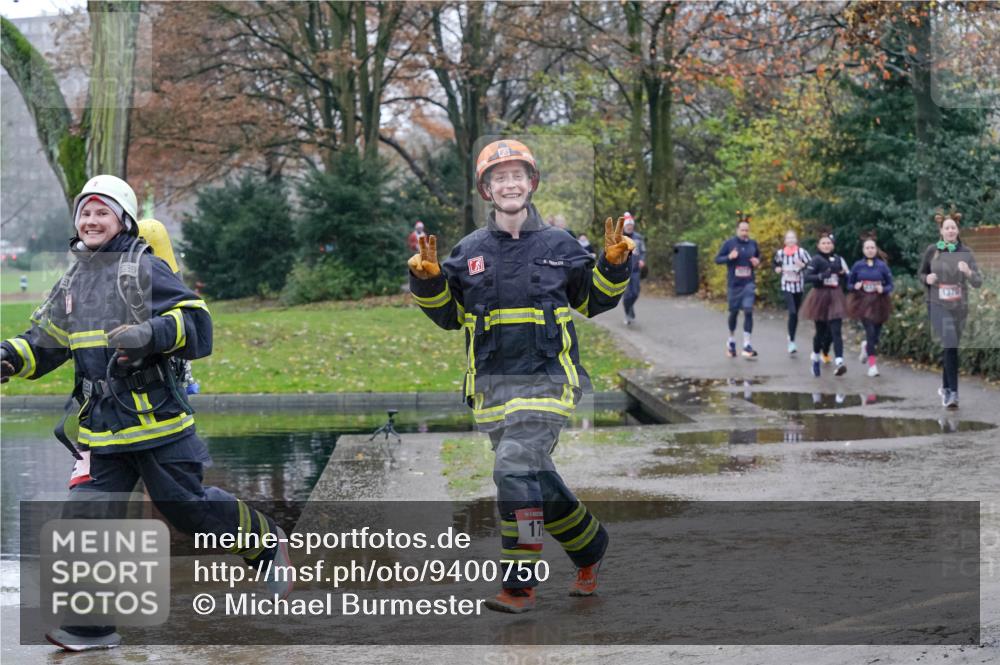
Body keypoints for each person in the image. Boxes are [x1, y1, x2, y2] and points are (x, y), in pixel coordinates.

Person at [0, 175, 292, 651]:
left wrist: (150, 334)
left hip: (159, 425)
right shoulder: (72, 281)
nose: (91, 221)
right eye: (85, 213)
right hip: (102, 433)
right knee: (85, 519)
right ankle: (89, 628)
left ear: (123, 220)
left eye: (102, 212)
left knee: (187, 508)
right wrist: (9, 358)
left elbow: (198, 324)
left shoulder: (144, 269)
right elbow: (44, 343)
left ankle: (263, 542)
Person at [407, 139, 633, 613]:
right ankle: (590, 548)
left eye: (517, 176)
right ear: (487, 190)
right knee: (533, 480)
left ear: (531, 184)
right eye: (498, 177)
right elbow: (449, 315)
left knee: (512, 467)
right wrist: (428, 282)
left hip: (550, 381)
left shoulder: (559, 244)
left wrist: (614, 265)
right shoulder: (468, 250)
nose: (509, 184)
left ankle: (519, 583)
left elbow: (593, 301)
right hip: (492, 390)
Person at [917, 212, 982, 409]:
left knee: (951, 347)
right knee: (950, 341)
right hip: (937, 303)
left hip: (959, 306)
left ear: (958, 230)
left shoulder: (966, 252)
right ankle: (953, 393)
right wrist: (926, 279)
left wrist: (968, 272)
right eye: (947, 227)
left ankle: (945, 388)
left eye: (953, 227)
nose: (951, 230)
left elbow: (978, 281)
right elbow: (921, 273)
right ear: (941, 231)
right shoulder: (932, 251)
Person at [801, 229, 850, 377]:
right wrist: (822, 276)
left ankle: (839, 362)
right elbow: (807, 277)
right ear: (818, 245)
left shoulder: (838, 259)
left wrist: (843, 275)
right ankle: (816, 357)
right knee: (820, 332)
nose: (827, 245)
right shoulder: (816, 260)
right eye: (823, 243)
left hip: (835, 296)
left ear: (833, 245)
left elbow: (847, 276)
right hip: (820, 296)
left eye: (829, 243)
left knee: (836, 330)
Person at [847, 232, 894, 377]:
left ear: (876, 249)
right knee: (870, 332)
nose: (870, 250)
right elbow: (849, 284)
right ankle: (872, 366)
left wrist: (883, 289)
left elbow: (890, 285)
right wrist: (855, 286)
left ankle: (866, 346)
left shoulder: (882, 266)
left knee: (876, 336)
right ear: (863, 250)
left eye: (872, 247)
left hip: (880, 302)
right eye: (867, 248)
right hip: (862, 302)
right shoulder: (857, 266)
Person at [714, 211, 760, 358]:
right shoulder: (730, 243)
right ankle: (731, 339)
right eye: (742, 230)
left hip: (748, 283)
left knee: (748, 310)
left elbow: (758, 257)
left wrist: (757, 262)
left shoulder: (753, 244)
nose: (745, 232)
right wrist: (729, 257)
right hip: (734, 284)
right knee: (733, 312)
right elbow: (717, 259)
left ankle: (747, 344)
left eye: (747, 230)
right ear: (737, 230)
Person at [772, 230, 811, 354]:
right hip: (786, 285)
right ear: (785, 241)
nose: (790, 240)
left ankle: (791, 336)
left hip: (798, 286)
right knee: (792, 312)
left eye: (793, 238)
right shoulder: (780, 253)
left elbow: (811, 265)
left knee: (796, 314)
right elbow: (775, 264)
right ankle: (792, 341)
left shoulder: (802, 252)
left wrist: (803, 265)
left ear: (796, 240)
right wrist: (777, 268)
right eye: (788, 238)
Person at [621, 212, 646, 325]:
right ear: (624, 226)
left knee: (635, 293)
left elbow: (643, 251)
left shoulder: (638, 237)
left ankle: (629, 307)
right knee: (627, 294)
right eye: (628, 225)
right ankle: (628, 314)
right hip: (623, 270)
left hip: (635, 269)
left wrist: (642, 259)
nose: (630, 227)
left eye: (631, 225)